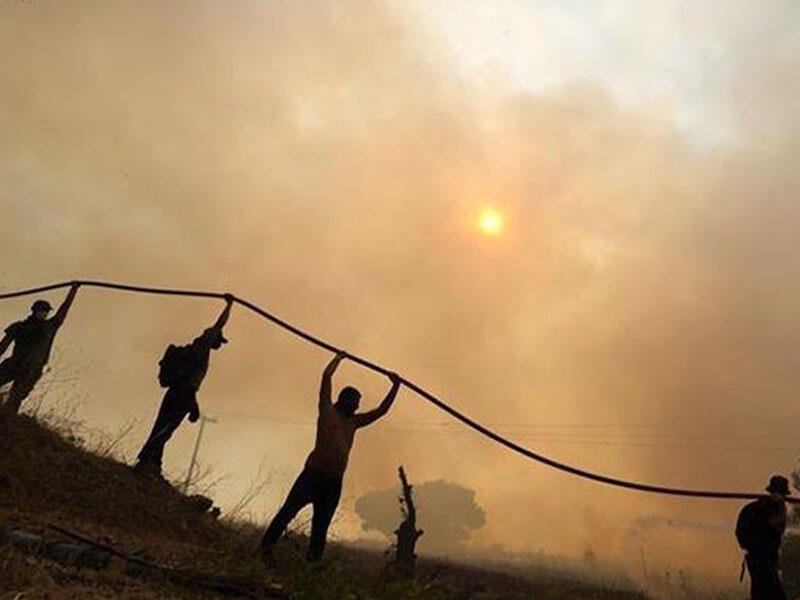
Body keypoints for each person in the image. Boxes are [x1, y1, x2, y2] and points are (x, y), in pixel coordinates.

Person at [260, 351, 401, 562]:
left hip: (333, 482)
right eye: (356, 402)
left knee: (321, 527)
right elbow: (326, 378)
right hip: (313, 475)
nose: (358, 406)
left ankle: (311, 565)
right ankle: (265, 549)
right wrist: (337, 359)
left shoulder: (354, 422)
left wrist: (395, 386)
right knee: (288, 512)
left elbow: (381, 411)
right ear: (345, 400)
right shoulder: (327, 411)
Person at [134, 295, 233, 478]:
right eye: (219, 339)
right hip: (181, 394)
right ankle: (146, 461)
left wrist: (194, 407)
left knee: (165, 429)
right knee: (164, 429)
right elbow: (219, 325)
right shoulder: (202, 346)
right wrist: (229, 306)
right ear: (213, 337)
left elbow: (191, 385)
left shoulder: (199, 350)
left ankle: (154, 464)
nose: (220, 343)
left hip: (181, 394)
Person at [0, 282, 81, 414]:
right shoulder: (19, 326)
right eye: (43, 311)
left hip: (34, 366)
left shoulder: (50, 326)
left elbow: (64, 309)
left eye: (46, 312)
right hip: (16, 362)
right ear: (35, 311)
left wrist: (73, 290)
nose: (45, 314)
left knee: (17, 395)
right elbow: (3, 346)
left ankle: (8, 415)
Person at [736, 475, 790, 600]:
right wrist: (782, 507)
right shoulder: (771, 508)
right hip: (764, 560)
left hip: (756, 559)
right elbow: (777, 526)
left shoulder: (757, 507)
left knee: (759, 594)